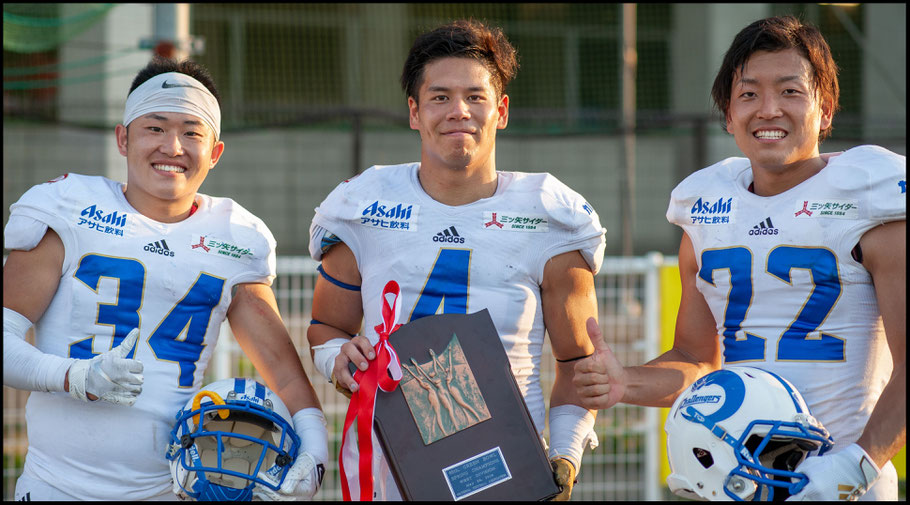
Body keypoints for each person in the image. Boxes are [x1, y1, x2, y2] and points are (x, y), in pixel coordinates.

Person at [573, 16, 905, 501]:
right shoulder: (708, 209)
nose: (768, 110)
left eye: (790, 91)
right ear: (728, 116)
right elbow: (696, 360)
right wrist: (627, 382)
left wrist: (856, 466)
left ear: (825, 109)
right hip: (739, 481)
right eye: (749, 95)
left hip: (845, 482)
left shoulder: (870, 201)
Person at [3, 57, 328, 501]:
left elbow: (286, 378)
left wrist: (316, 450)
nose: (172, 147)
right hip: (53, 487)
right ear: (123, 138)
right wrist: (75, 376)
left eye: (192, 132)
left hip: (167, 490)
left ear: (214, 152)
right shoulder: (68, 209)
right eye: (154, 128)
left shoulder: (236, 236)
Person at [306, 19, 606, 501]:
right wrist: (338, 359)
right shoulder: (366, 204)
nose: (458, 111)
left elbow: (578, 363)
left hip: (510, 469)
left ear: (501, 110)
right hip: (392, 469)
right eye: (440, 97)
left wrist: (566, 453)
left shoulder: (550, 215)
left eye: (475, 96)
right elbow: (325, 328)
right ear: (414, 111)